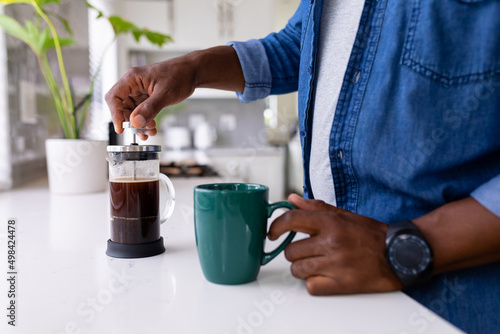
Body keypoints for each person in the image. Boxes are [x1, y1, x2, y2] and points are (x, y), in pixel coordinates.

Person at [105, 1, 500, 333]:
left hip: (451, 306)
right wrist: (194, 68)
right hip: (326, 289)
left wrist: (399, 248)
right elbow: (301, 45)